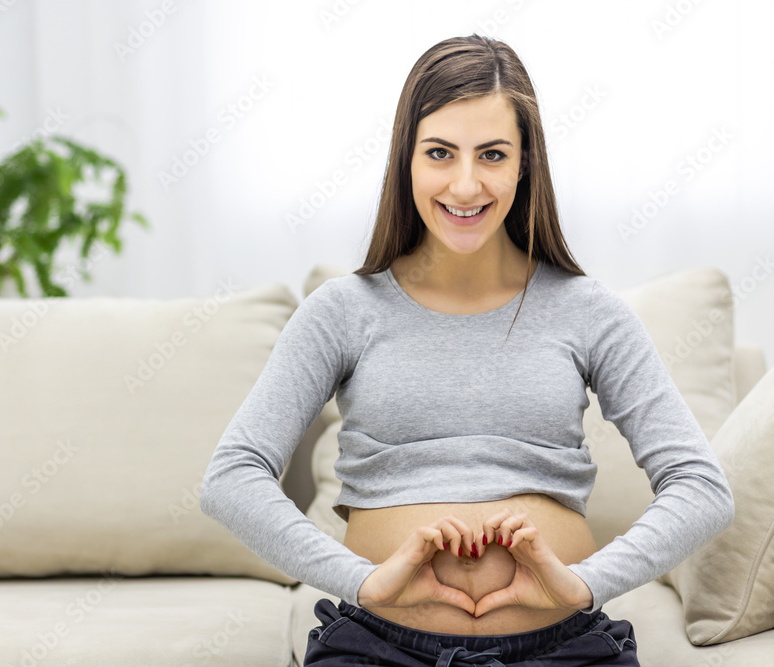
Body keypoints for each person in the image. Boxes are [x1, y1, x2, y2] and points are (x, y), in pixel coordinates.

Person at [198, 34, 734, 666]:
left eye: (492, 154)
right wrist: (359, 580)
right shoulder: (342, 312)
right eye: (440, 153)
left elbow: (702, 487)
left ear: (524, 163)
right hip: (378, 646)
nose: (465, 182)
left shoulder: (590, 312)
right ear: (407, 160)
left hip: (562, 647)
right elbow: (231, 477)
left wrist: (588, 582)